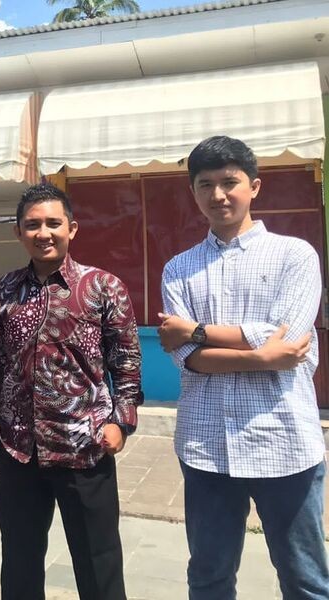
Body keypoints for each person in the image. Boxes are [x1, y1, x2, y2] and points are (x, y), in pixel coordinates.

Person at [158, 135, 329, 599]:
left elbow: (287, 337)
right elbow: (188, 359)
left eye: (229, 182)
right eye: (205, 184)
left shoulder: (295, 255)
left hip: (284, 442)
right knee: (209, 578)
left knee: (305, 580)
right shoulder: (178, 269)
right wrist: (260, 357)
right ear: (193, 192)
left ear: (254, 186)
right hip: (206, 446)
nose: (218, 195)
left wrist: (196, 330)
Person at [0, 183, 142, 600]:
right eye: (32, 225)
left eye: (53, 223)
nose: (44, 233)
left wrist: (121, 423)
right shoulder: (4, 290)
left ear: (72, 228)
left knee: (99, 565)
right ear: (18, 232)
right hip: (19, 449)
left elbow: (126, 361)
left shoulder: (102, 287)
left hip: (84, 446)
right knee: (19, 563)